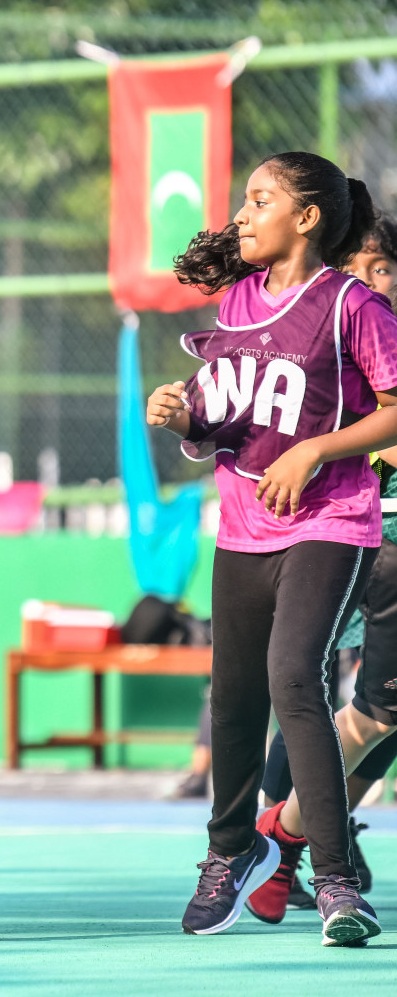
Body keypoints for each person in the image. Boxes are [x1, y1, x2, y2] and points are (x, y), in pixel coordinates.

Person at [149, 152, 397, 947]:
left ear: (309, 217)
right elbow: (233, 424)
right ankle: (231, 851)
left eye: (261, 200)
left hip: (332, 522)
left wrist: (318, 450)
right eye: (243, 201)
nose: (243, 214)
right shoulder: (236, 306)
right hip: (244, 527)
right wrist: (186, 420)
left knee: (296, 677)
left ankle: (333, 880)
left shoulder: (351, 305)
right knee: (233, 698)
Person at [247, 212, 397, 917]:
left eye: (384, 268)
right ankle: (288, 832)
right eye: (359, 268)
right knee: (314, 692)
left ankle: (292, 835)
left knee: (378, 721)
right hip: (363, 541)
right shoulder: (334, 338)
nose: (371, 281)